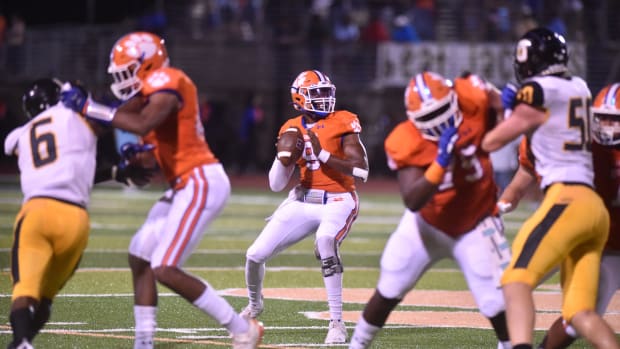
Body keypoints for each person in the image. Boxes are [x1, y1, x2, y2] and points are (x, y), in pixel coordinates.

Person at [60, 31, 263, 349]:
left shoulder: (171, 79)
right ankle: (144, 342)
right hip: (183, 184)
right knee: (140, 256)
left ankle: (242, 329)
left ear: (148, 63)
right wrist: (132, 164)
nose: (124, 80)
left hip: (200, 180)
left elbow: (140, 123)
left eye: (128, 71)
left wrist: (89, 107)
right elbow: (145, 152)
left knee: (165, 267)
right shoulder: (146, 98)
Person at [349, 71, 512, 349]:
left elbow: (501, 107)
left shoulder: (471, 98)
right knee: (390, 286)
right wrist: (440, 162)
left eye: (442, 111)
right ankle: (357, 345)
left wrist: (505, 107)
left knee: (496, 300)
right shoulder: (405, 140)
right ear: (412, 118)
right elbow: (412, 199)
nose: (437, 121)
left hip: (478, 220)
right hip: (426, 223)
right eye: (426, 117)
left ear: (453, 100)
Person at [481, 27, 619, 349]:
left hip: (566, 198)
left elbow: (501, 135)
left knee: (515, 280)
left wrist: (490, 125)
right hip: (594, 211)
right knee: (581, 313)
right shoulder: (581, 87)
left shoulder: (537, 89)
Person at [4, 78, 152, 349]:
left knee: (24, 290)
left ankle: (22, 342)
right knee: (45, 298)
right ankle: (21, 344)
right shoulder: (80, 116)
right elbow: (113, 120)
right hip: (75, 220)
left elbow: (50, 163)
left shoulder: (20, 135)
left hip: (37, 212)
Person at [240, 69, 369, 344]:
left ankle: (337, 322)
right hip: (302, 199)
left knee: (325, 241)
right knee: (254, 255)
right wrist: (283, 156)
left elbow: (361, 170)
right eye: (317, 93)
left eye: (326, 92)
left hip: (338, 199)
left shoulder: (343, 120)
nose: (324, 99)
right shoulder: (290, 126)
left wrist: (322, 154)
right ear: (300, 98)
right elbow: (276, 185)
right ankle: (254, 304)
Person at [535, 83, 620, 349]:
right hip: (603, 247)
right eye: (602, 118)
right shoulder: (585, 149)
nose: (606, 125)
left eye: (613, 119)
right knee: (578, 316)